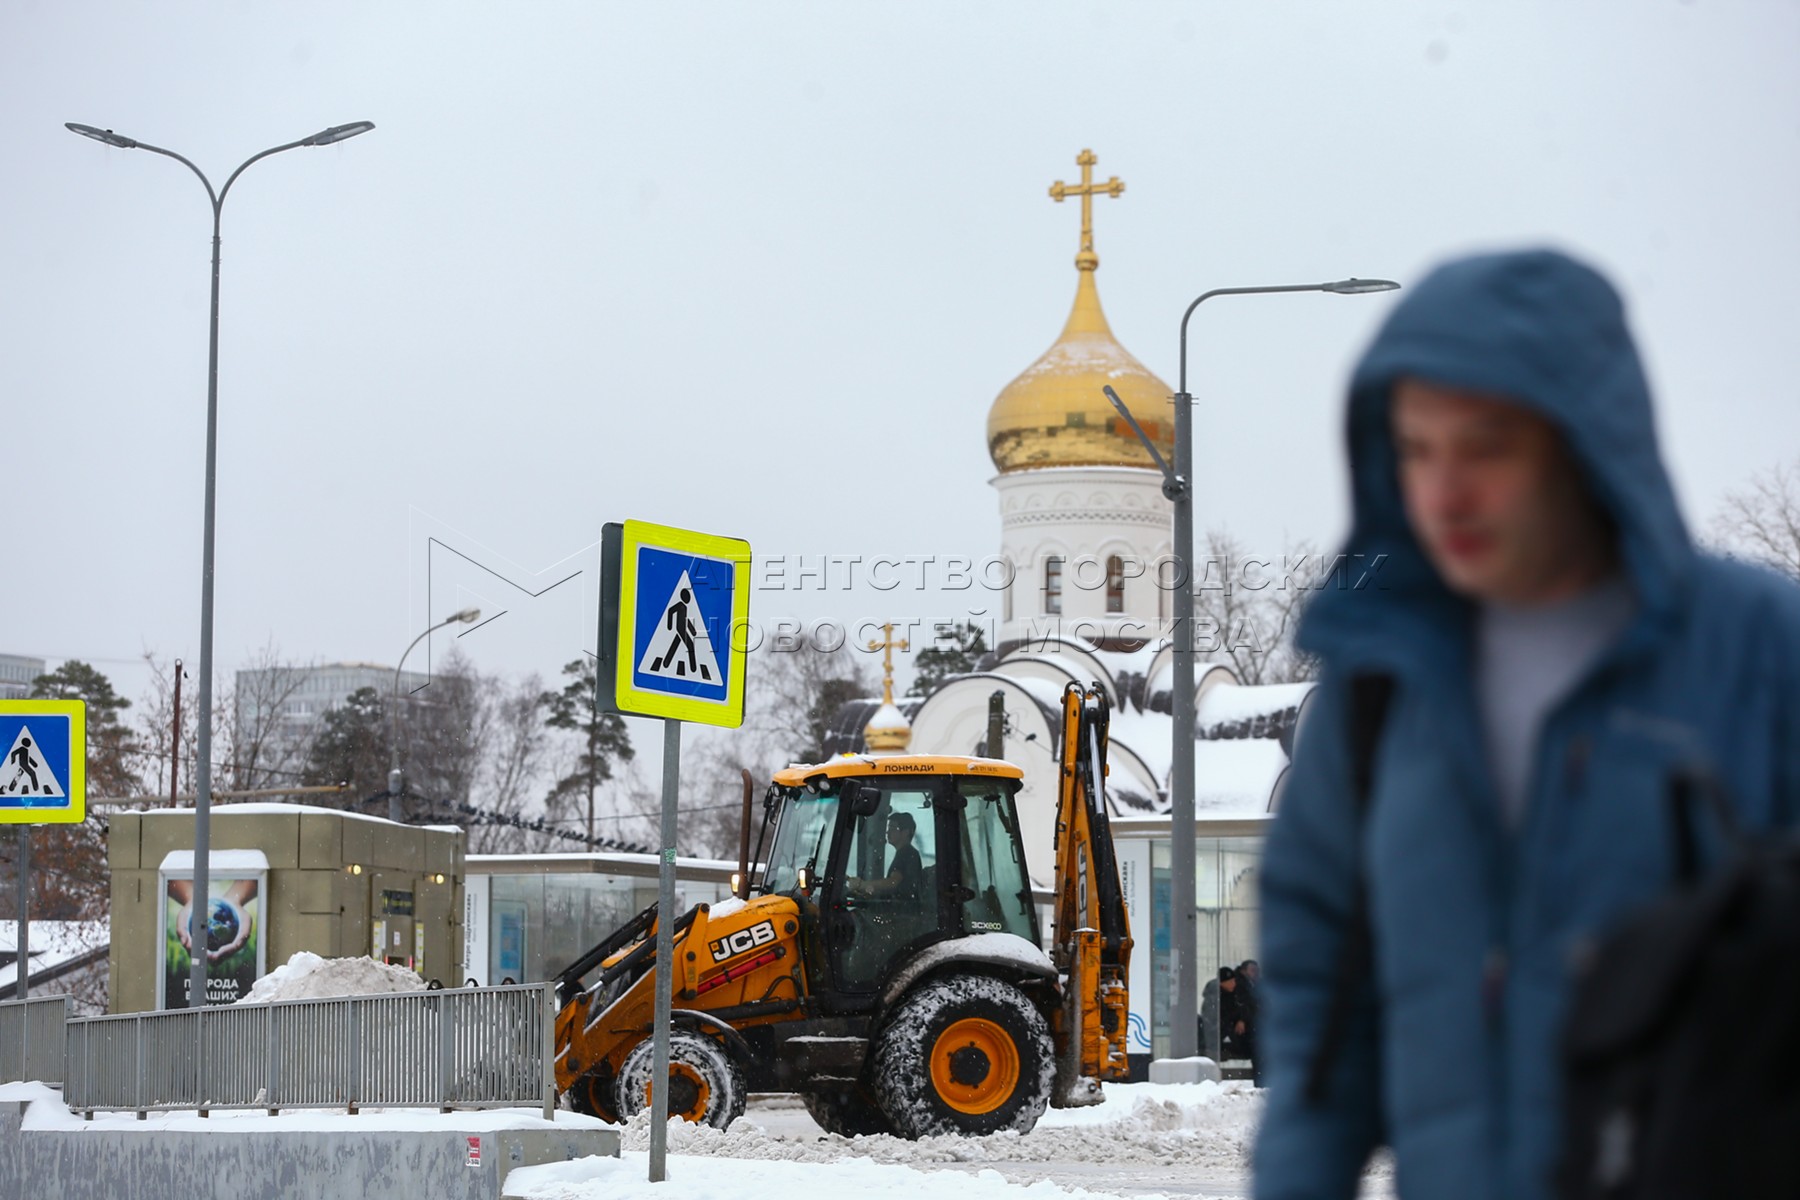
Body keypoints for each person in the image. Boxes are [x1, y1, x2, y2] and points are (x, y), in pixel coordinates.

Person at [1253, 249, 1800, 1200]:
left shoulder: (1759, 653)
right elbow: (1320, 997)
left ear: (1586, 440)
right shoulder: (1381, 683)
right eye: (1416, 450)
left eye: (1486, 447)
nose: (1444, 493)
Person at [848, 811, 923, 900]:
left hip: (902, 907)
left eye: (892, 828)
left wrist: (863, 885)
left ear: (906, 832)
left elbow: (893, 882)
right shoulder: (909, 853)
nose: (887, 832)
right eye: (888, 828)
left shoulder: (906, 853)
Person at [1200, 966, 1237, 1062]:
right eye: (1231, 981)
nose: (1234, 984)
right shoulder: (1214, 999)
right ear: (1222, 982)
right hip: (1217, 1039)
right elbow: (1211, 1022)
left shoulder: (1231, 995)